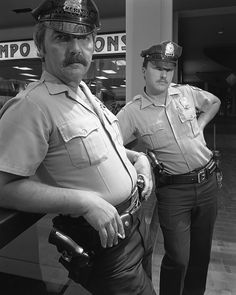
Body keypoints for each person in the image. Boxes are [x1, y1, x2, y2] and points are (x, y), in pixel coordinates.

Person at [0, 1, 156, 294]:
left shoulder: (86, 95)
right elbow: (3, 187)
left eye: (84, 37)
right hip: (107, 247)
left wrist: (139, 158)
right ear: (40, 46)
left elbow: (106, 151)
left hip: (135, 228)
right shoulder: (32, 106)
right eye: (62, 37)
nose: (76, 47)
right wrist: (83, 202)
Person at [117, 41, 221, 295]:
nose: (164, 74)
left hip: (208, 183)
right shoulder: (132, 112)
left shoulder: (185, 93)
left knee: (200, 255)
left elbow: (214, 102)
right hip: (175, 193)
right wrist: (139, 158)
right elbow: (110, 146)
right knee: (178, 257)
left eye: (169, 68)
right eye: (157, 67)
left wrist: (201, 125)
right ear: (144, 70)